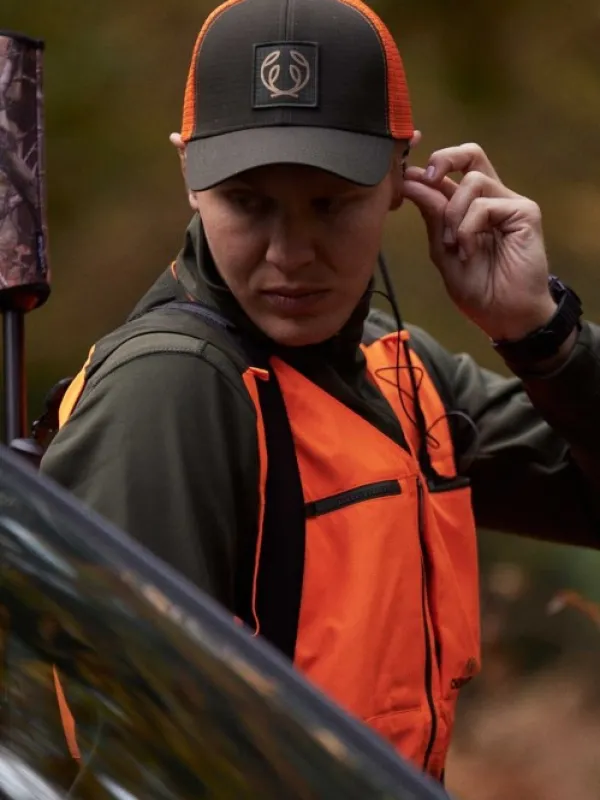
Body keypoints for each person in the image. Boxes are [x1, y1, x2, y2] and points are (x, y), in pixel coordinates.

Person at [41, 0, 600, 783]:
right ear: (188, 173)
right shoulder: (169, 396)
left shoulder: (395, 368)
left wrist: (544, 334)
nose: (290, 252)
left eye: (330, 204)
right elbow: (131, 760)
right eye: (249, 203)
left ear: (402, 176)